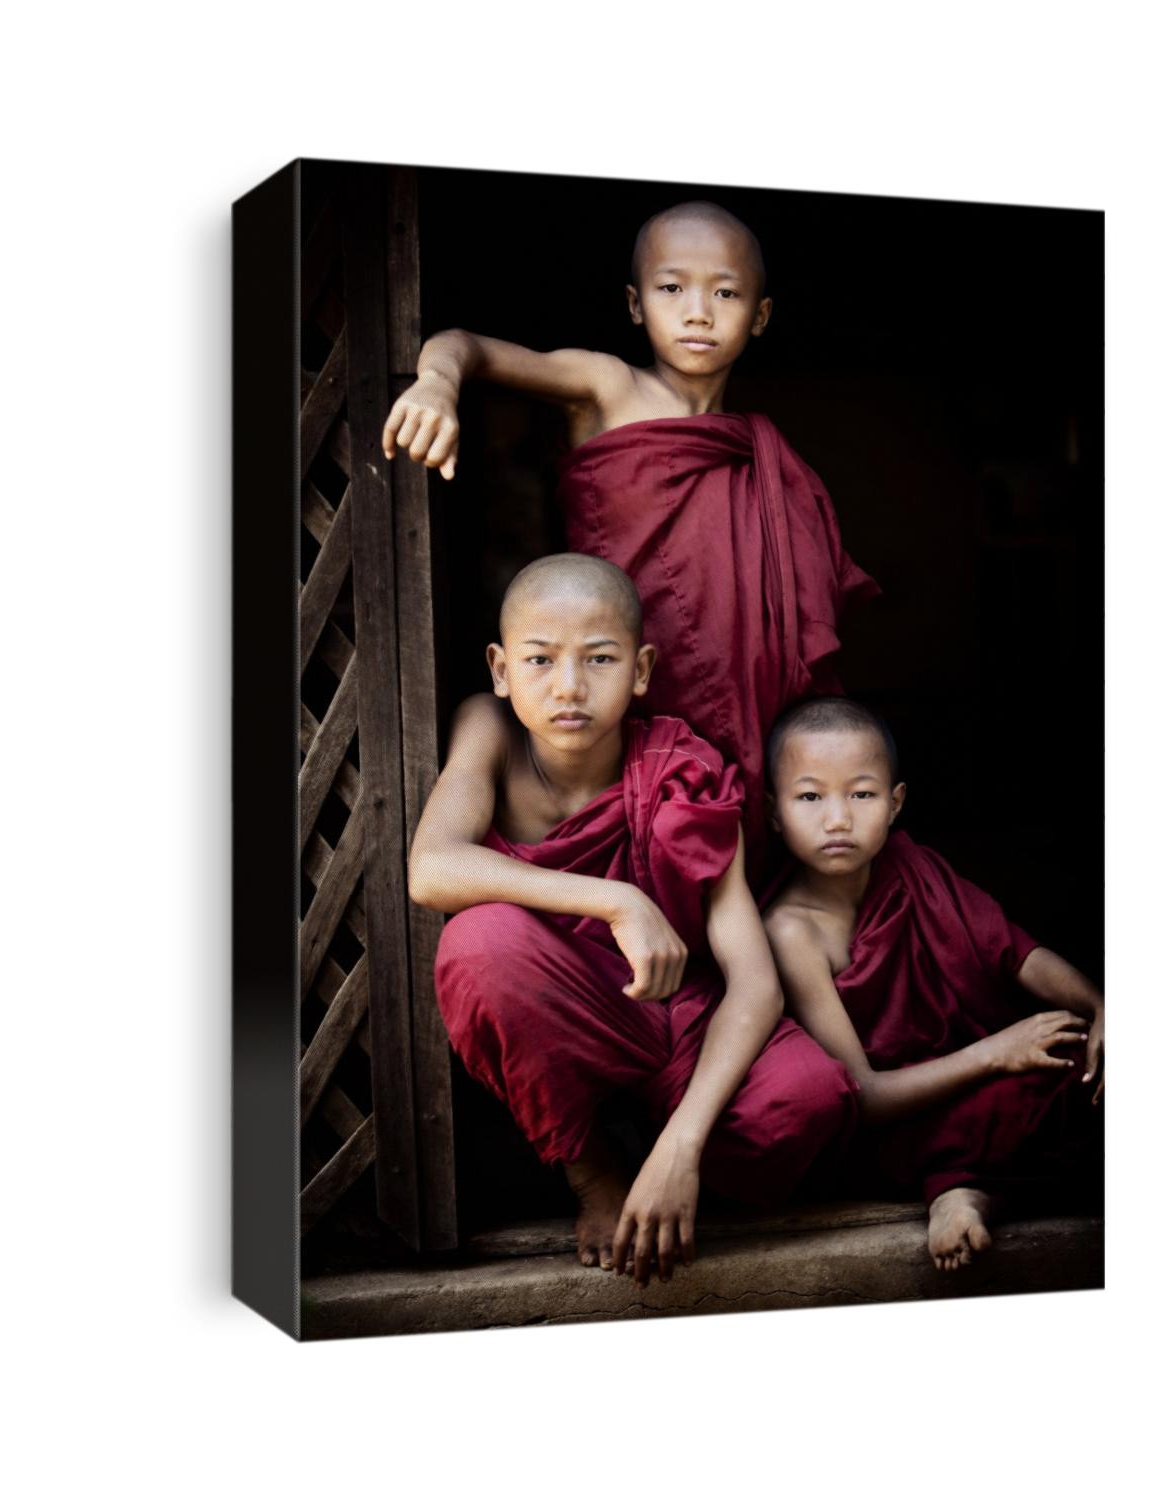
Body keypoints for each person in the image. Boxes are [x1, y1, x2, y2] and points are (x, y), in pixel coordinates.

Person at [408, 554, 857, 1288]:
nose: (569, 686)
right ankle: (594, 1170)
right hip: (566, 1012)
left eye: (600, 659)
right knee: (479, 946)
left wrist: (680, 1148)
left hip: (681, 1022)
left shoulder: (681, 768)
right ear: (499, 668)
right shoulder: (488, 728)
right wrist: (617, 898)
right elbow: (432, 868)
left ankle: (664, 1162)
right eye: (540, 659)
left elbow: (755, 985)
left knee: (807, 1100)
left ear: (642, 669)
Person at [382, 200, 878, 864]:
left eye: (725, 292)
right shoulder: (608, 387)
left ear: (759, 315)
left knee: (753, 843)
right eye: (672, 288)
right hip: (629, 683)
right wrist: (436, 384)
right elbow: (464, 345)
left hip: (751, 696)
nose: (697, 310)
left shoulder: (761, 453)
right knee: (655, 833)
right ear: (636, 303)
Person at [762, 697, 1104, 1272]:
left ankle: (967, 1191)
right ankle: (958, 1192)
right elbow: (863, 1097)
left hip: (966, 1079)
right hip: (896, 1123)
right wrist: (995, 1054)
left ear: (896, 803)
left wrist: (1100, 1006)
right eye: (810, 796)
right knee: (1015, 1106)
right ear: (774, 812)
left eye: (862, 794)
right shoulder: (790, 931)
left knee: (1086, 1071)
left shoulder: (911, 866)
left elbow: (1015, 954)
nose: (838, 818)